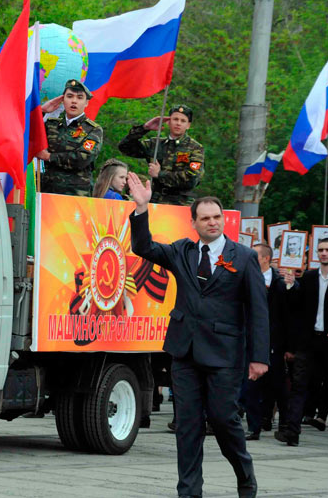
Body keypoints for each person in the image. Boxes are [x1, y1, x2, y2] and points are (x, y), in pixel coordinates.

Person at [127, 172, 268, 498]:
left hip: (224, 354)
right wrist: (142, 208)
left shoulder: (243, 258)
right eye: (205, 218)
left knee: (222, 420)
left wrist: (259, 357)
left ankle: (244, 473)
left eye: (217, 217)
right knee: (187, 428)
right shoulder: (182, 251)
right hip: (185, 352)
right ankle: (189, 492)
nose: (212, 222)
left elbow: (259, 312)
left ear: (223, 220)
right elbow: (143, 247)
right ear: (194, 223)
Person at [277, 237, 328, 448]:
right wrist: (291, 286)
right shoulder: (310, 277)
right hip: (309, 341)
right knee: (299, 386)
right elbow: (295, 308)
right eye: (320, 250)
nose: (324, 253)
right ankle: (292, 433)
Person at [244, 244, 293, 440]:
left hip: (274, 342)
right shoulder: (245, 279)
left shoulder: (280, 284)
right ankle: (253, 427)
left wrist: (288, 347)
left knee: (278, 385)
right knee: (251, 386)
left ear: (266, 258)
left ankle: (285, 423)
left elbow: (289, 315)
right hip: (251, 339)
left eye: (254, 255)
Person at [118, 105, 204, 205]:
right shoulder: (156, 144)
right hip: (155, 201)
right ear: (168, 121)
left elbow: (192, 179)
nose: (178, 123)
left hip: (180, 204)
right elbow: (124, 147)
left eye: (183, 121)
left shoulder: (195, 148)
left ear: (188, 125)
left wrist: (160, 174)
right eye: (175, 119)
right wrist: (144, 128)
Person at [36, 79, 103, 196]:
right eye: (70, 96)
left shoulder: (93, 129)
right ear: (63, 100)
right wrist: (42, 111)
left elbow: (83, 158)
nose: (74, 101)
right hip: (47, 191)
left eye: (80, 97)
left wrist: (49, 157)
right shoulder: (51, 124)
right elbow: (28, 136)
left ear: (86, 103)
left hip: (75, 195)